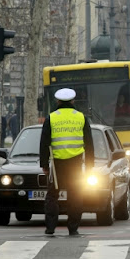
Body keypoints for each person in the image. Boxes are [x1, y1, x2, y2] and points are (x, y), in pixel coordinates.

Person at [39, 88, 94, 236]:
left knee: (52, 196)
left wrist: (44, 165)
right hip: (76, 164)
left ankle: (50, 227)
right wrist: (89, 165)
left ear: (57, 101)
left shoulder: (51, 117)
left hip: (57, 164)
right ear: (73, 101)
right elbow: (89, 143)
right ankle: (73, 228)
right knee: (75, 195)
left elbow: (44, 142)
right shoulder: (81, 117)